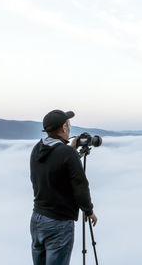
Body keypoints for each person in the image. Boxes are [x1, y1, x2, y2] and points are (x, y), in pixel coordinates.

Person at [30, 110, 97, 265]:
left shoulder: (37, 149)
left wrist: (72, 150)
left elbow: (54, 168)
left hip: (37, 218)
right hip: (58, 222)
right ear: (64, 128)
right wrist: (88, 211)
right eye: (68, 124)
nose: (69, 127)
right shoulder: (67, 153)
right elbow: (80, 185)